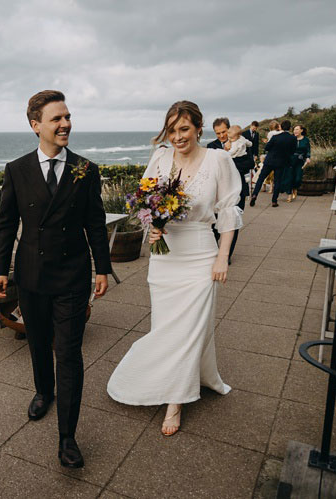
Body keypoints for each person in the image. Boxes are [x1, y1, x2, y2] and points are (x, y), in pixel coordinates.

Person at [106, 101, 243, 437]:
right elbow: (143, 203)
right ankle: (164, 377)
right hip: (164, 257)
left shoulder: (218, 160)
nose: (178, 136)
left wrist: (222, 257)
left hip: (200, 253)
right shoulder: (161, 157)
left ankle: (174, 401)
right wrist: (152, 225)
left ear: (199, 128)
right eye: (172, 130)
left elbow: (228, 211)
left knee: (190, 328)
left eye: (184, 129)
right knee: (167, 326)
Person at [0, 90, 112, 469]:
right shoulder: (17, 169)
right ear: (35, 126)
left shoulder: (85, 169)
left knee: (69, 353)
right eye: (56, 119)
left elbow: (95, 222)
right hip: (30, 275)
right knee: (39, 344)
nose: (65, 124)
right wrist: (0, 270)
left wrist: (102, 268)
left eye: (68, 117)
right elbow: (7, 223)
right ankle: (44, 392)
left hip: (73, 275)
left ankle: (68, 438)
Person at [208, 118, 252, 263]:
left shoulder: (242, 142)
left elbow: (249, 163)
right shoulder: (211, 146)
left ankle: (226, 256)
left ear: (230, 129)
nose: (221, 135)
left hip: (238, 190)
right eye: (218, 133)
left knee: (232, 223)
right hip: (217, 192)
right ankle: (214, 253)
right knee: (214, 225)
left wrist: (228, 163)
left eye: (224, 132)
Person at [251, 120, 297, 207]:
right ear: (290, 128)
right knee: (277, 181)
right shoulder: (293, 138)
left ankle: (254, 195)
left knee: (261, 178)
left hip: (270, 160)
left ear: (281, 127)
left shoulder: (275, 137)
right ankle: (274, 201)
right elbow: (293, 151)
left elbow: (267, 148)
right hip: (281, 162)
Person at [282, 124, 312, 203]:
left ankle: (295, 188)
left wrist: (308, 157)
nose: (295, 131)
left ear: (301, 130)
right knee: (289, 177)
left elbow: (308, 150)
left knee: (298, 178)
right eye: (294, 129)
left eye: (297, 129)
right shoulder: (291, 138)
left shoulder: (306, 140)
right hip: (290, 161)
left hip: (300, 161)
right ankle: (289, 195)